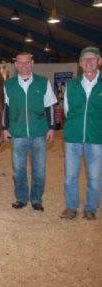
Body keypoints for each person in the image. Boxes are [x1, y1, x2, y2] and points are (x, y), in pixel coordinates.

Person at [2, 52, 57, 212]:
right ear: (16, 65)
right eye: (20, 63)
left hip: (39, 132)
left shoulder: (43, 83)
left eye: (26, 63)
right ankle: (21, 198)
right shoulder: (8, 85)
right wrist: (5, 128)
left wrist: (52, 128)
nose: (23, 66)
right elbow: (5, 108)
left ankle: (36, 199)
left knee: (39, 170)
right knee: (19, 170)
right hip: (17, 133)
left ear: (32, 64)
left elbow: (50, 107)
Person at [60, 47, 102, 220]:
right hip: (73, 137)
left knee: (94, 177)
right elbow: (66, 110)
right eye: (85, 59)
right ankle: (71, 208)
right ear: (80, 63)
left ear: (99, 61)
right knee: (70, 176)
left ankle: (90, 208)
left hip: (96, 137)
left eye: (92, 59)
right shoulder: (72, 85)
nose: (89, 62)